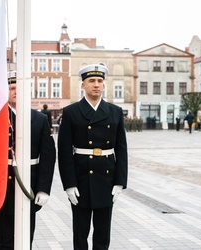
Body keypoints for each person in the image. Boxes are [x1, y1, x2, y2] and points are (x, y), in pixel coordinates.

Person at [57, 63, 128, 250]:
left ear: (104, 85)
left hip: (106, 178)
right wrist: (69, 185)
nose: (96, 84)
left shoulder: (115, 112)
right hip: (81, 178)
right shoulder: (71, 112)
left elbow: (121, 149)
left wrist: (120, 182)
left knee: (103, 234)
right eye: (91, 81)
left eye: (99, 81)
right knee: (80, 233)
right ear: (83, 85)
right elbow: (64, 151)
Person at [0, 71, 56, 249]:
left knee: (26, 239)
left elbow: (48, 156)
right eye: (11, 88)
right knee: (5, 238)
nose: (15, 91)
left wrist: (44, 189)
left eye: (19, 88)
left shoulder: (39, 119)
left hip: (29, 185)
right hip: (4, 188)